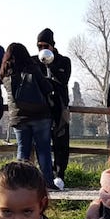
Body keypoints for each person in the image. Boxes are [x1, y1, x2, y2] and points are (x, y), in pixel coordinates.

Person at [0, 43, 58, 189]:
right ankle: (47, 182)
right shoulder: (32, 69)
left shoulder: (5, 74)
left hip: (18, 117)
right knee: (43, 149)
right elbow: (47, 88)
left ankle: (21, 183)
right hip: (40, 115)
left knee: (23, 149)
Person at [36, 28, 72, 188]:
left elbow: (63, 80)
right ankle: (44, 174)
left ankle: (60, 174)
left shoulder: (64, 61)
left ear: (52, 45)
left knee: (61, 142)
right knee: (42, 142)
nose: (42, 48)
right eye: (39, 45)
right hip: (41, 108)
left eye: (45, 45)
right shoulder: (34, 61)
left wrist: (50, 65)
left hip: (59, 106)